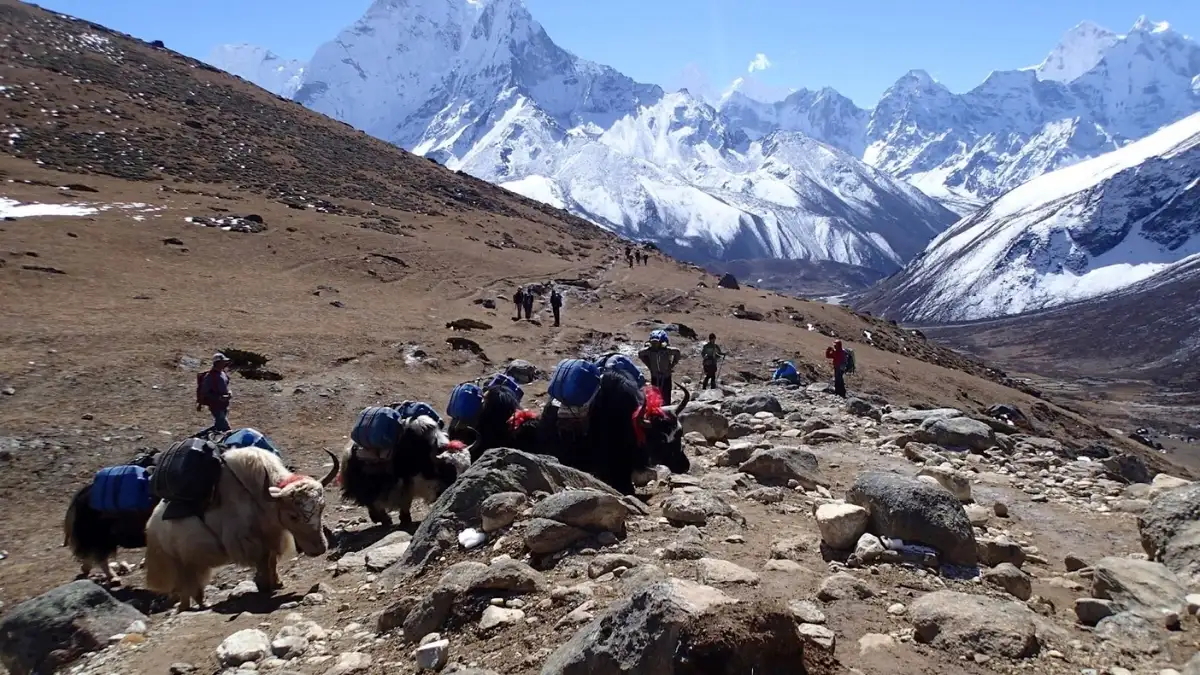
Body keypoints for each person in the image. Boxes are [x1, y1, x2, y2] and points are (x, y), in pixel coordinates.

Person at [639, 330, 682, 405]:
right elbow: (640, 353)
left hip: (666, 375)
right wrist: (649, 365)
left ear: (661, 343)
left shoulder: (666, 350)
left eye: (656, 342)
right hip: (655, 375)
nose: (654, 345)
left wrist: (672, 365)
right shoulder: (649, 351)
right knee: (655, 394)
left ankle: (667, 407)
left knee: (666, 394)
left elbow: (677, 352)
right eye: (652, 342)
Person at [198, 353, 233, 435]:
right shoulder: (210, 377)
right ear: (217, 363)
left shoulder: (223, 373)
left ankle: (206, 435)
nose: (225, 363)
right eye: (223, 362)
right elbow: (204, 392)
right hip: (216, 405)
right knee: (226, 429)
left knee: (219, 424)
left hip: (224, 405)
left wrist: (229, 393)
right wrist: (218, 397)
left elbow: (226, 386)